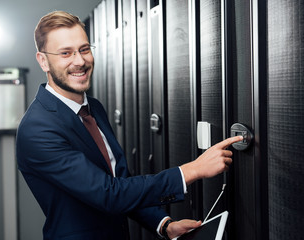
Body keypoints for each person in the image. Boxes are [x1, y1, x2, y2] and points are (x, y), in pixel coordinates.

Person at [16, 11, 243, 240]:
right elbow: (109, 194)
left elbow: (122, 185)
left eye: (84, 49)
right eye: (66, 53)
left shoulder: (93, 108)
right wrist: (192, 170)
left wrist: (163, 224)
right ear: (43, 60)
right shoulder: (37, 129)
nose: (80, 61)